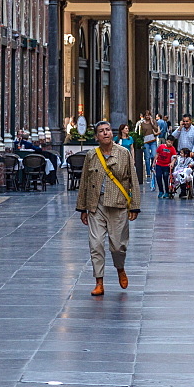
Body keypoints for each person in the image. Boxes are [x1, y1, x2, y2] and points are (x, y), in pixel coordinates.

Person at [76, 120, 140, 296]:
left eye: (107, 130)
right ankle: (99, 282)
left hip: (118, 205)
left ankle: (120, 268)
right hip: (96, 205)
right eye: (101, 131)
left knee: (118, 246)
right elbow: (84, 183)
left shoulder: (123, 153)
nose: (105, 133)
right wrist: (82, 208)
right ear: (96, 136)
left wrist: (134, 206)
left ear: (112, 134)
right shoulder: (91, 155)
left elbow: (133, 180)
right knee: (96, 244)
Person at [137, 110, 158, 178]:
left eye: (148, 115)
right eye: (146, 115)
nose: (147, 116)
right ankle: (148, 172)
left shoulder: (153, 122)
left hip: (153, 141)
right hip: (145, 141)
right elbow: (140, 132)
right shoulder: (142, 123)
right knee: (147, 157)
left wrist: (152, 123)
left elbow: (156, 129)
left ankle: (153, 168)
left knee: (154, 155)